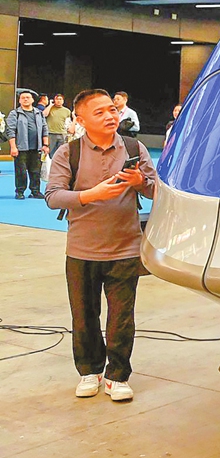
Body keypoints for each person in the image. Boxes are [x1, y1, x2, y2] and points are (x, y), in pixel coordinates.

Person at [44, 89, 157, 402]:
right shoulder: (69, 153)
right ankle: (88, 371)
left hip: (126, 248)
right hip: (82, 250)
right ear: (80, 120)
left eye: (112, 110)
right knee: (84, 316)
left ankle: (118, 375)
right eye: (100, 113)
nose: (110, 116)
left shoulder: (134, 147)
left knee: (122, 317)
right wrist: (92, 195)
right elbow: (53, 196)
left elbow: (157, 191)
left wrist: (140, 183)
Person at [7, 90, 50, 199]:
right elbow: (10, 131)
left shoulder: (39, 113)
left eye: (27, 97)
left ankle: (35, 191)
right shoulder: (15, 113)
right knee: (21, 171)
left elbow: (45, 129)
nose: (25, 99)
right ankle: (20, 191)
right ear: (19, 100)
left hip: (37, 147)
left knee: (36, 171)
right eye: (23, 98)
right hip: (21, 148)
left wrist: (45, 144)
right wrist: (13, 147)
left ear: (32, 100)